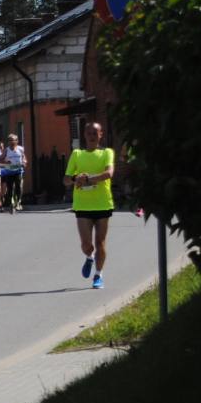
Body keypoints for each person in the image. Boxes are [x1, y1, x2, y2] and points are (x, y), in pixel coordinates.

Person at [66, 121, 116, 288]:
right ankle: (89, 257)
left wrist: (88, 179)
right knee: (87, 245)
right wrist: (76, 178)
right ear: (84, 135)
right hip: (83, 206)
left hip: (102, 204)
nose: (92, 136)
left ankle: (98, 275)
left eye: (95, 133)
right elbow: (66, 179)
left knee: (100, 242)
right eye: (89, 133)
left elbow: (109, 173)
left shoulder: (107, 152)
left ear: (101, 135)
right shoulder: (77, 154)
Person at [1, 134, 26, 213]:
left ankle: (18, 203)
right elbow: (0, 160)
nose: (12, 142)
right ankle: (11, 203)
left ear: (17, 141)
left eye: (14, 140)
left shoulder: (21, 149)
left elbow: (24, 158)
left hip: (18, 170)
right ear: (8, 142)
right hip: (9, 171)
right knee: (10, 188)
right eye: (10, 140)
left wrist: (24, 162)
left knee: (19, 186)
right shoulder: (6, 150)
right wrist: (6, 162)